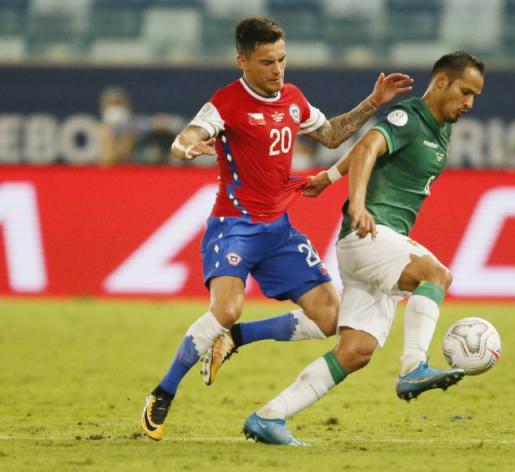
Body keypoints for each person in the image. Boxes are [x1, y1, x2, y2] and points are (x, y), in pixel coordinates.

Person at [140, 16, 413, 441]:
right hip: (233, 227)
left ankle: (235, 339)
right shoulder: (225, 103)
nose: (278, 69)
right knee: (227, 308)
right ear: (243, 61)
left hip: (278, 230)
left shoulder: (293, 98)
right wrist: (185, 146)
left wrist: (373, 101)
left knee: (330, 318)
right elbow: (189, 134)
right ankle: (164, 391)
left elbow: (329, 135)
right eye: (268, 62)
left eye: (282, 59)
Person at [235, 51, 485, 446]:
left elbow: (370, 150)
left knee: (356, 351)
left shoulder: (440, 128)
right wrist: (357, 202)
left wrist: (331, 175)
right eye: (465, 92)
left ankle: (269, 417)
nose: (469, 103)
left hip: (378, 243)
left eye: (475, 96)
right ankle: (413, 366)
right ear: (441, 81)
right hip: (368, 235)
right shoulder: (410, 117)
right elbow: (369, 145)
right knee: (436, 275)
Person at [96, 85, 137, 166]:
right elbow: (107, 159)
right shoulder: (99, 131)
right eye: (111, 104)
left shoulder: (135, 129)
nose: (115, 108)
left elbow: (126, 155)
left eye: (118, 103)